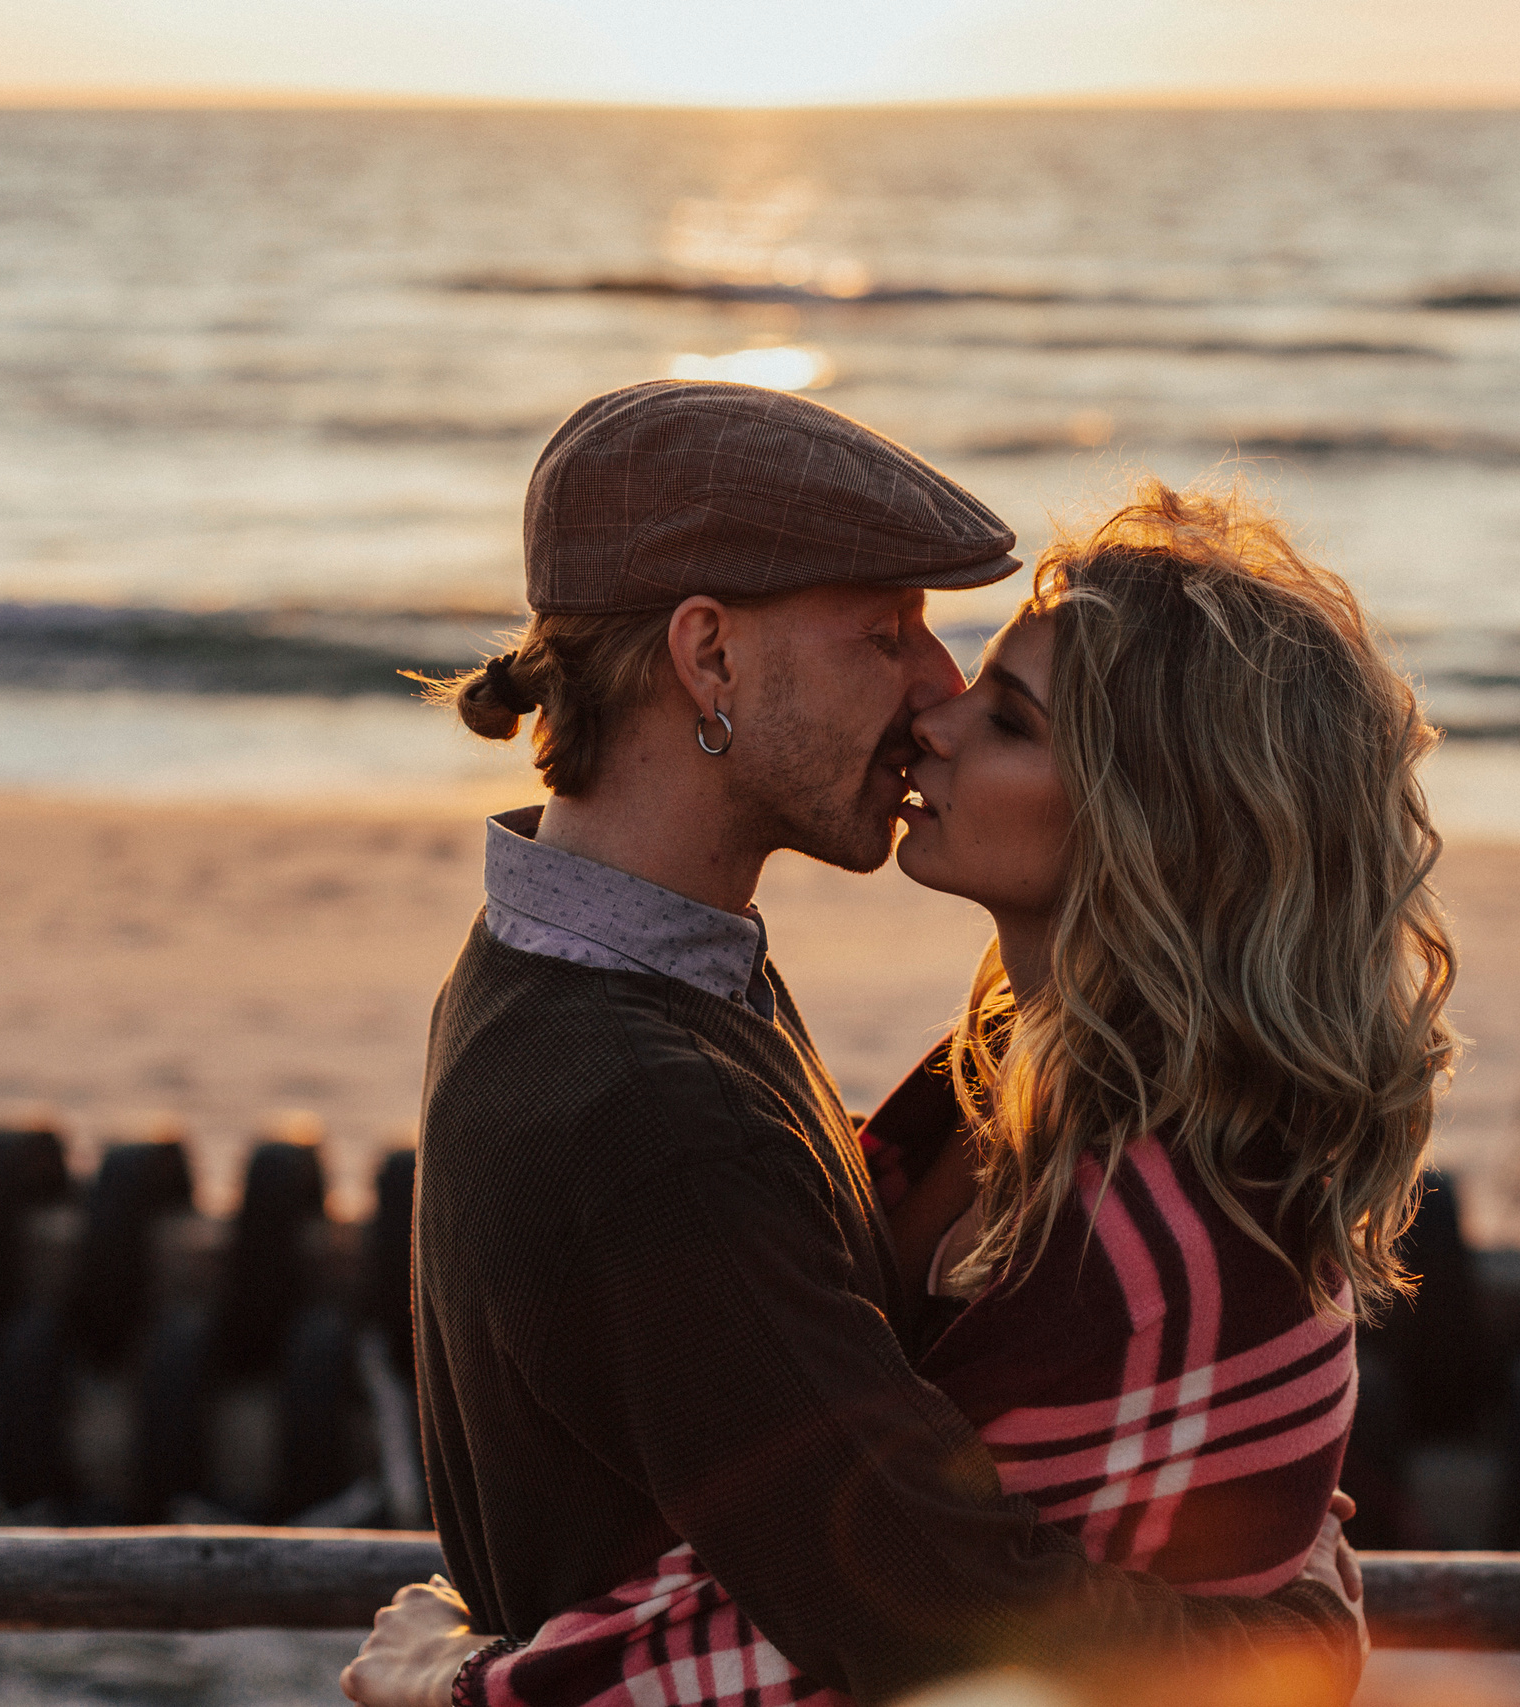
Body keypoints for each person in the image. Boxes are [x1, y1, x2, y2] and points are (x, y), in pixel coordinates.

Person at [344, 384, 1400, 1707]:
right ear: (710, 658)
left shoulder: (598, 967)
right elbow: (921, 1605)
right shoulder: (648, 1112)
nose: (935, 690)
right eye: (886, 634)